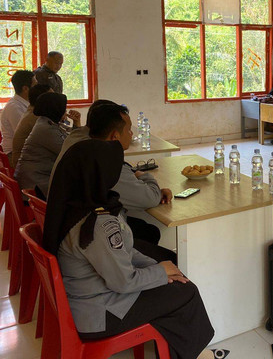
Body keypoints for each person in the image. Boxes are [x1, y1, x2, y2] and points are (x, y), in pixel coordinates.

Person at [43, 140, 214, 358]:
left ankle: (183, 349)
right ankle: (198, 355)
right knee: (186, 292)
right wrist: (161, 272)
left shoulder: (74, 206)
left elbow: (125, 252)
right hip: (100, 313)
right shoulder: (99, 224)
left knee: (171, 282)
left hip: (87, 300)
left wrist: (159, 268)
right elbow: (124, 281)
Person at [51, 102, 176, 263]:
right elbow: (150, 198)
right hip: (87, 242)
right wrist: (145, 176)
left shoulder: (78, 140)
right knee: (165, 253)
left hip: (69, 229)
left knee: (148, 230)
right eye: (129, 130)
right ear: (115, 136)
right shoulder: (103, 163)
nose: (131, 134)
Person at [15, 92, 69, 194]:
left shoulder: (45, 122)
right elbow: (68, 150)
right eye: (64, 108)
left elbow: (67, 138)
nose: (65, 111)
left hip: (35, 178)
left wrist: (77, 125)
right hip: (36, 183)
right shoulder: (45, 128)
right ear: (55, 109)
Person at [11, 84, 56, 167]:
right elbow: (59, 145)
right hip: (28, 167)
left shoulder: (33, 110)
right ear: (43, 100)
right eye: (52, 97)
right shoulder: (36, 118)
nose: (55, 100)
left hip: (30, 162)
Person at [0, 70, 36, 161]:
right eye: (35, 85)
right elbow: (24, 135)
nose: (37, 88)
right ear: (25, 89)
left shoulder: (27, 103)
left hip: (25, 150)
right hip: (13, 154)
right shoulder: (14, 107)